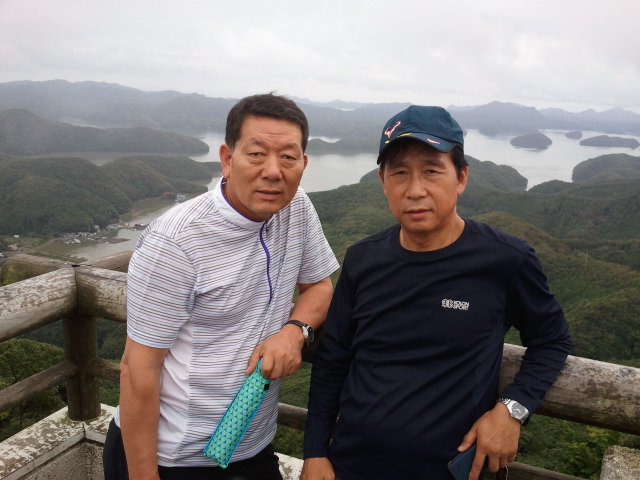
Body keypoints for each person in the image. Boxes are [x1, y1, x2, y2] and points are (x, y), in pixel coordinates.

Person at [301, 105, 571, 480]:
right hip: (352, 464)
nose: (415, 190)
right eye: (399, 173)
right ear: (382, 181)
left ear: (460, 177)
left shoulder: (506, 260)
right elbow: (333, 359)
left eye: (431, 170)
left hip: (450, 470)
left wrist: (512, 409)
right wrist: (315, 451)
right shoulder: (363, 259)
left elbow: (552, 340)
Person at [103, 93, 340, 480]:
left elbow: (319, 286)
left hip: (252, 446)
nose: (273, 171)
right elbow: (138, 368)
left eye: (288, 157)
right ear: (227, 159)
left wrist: (294, 332)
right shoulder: (176, 241)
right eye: (257, 154)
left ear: (303, 163)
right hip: (171, 458)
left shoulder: (296, 208)